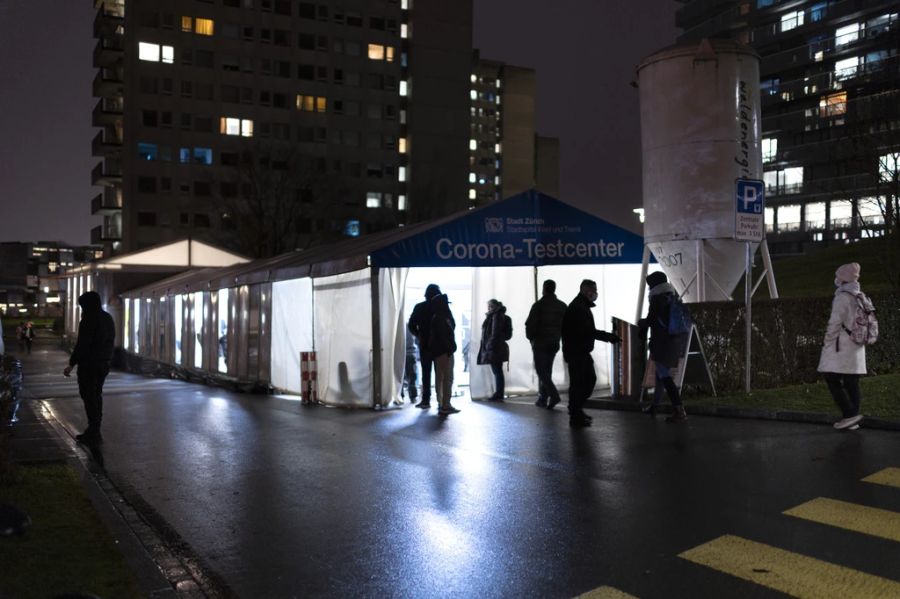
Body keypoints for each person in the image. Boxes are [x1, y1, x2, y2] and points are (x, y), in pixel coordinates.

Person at [561, 279, 621, 427]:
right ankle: (575, 413)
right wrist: (608, 337)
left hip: (578, 351)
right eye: (594, 290)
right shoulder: (579, 308)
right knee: (583, 382)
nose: (596, 294)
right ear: (586, 291)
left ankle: (576, 411)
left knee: (583, 382)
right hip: (577, 352)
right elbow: (587, 331)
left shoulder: (580, 306)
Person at [817, 262, 867, 431]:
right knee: (852, 381)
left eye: (838, 277)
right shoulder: (860, 295)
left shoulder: (842, 297)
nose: (836, 280)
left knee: (831, 377)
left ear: (842, 279)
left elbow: (835, 323)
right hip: (857, 345)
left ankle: (849, 414)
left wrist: (827, 341)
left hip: (841, 345)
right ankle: (852, 418)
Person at [63, 291, 115, 444]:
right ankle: (95, 429)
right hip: (103, 363)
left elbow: (83, 344)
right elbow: (110, 341)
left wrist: (71, 363)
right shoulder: (107, 318)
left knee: (88, 396)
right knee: (96, 395)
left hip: (89, 365)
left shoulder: (88, 319)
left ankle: (93, 430)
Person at [638, 271, 688, 422]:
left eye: (649, 285)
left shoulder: (657, 299)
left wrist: (642, 324)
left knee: (665, 377)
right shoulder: (672, 297)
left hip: (661, 343)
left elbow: (652, 319)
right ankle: (654, 407)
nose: (648, 288)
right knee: (661, 376)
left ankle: (679, 411)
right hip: (673, 341)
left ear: (654, 285)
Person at [525, 280, 567, 409]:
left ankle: (553, 395)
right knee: (547, 371)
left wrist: (531, 338)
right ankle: (543, 398)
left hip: (540, 342)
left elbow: (530, 324)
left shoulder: (539, 305)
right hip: (554, 342)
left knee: (541, 371)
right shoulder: (562, 306)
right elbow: (566, 325)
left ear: (544, 289)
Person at [407, 284, 449, 409]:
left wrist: (419, 335)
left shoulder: (419, 307)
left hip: (425, 344)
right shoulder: (442, 307)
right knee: (440, 374)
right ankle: (441, 401)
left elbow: (411, 325)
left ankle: (426, 400)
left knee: (426, 373)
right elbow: (450, 325)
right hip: (440, 345)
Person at [427, 293, 460, 416]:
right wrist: (450, 349)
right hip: (445, 352)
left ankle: (441, 402)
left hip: (440, 352)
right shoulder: (442, 317)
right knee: (447, 378)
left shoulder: (436, 317)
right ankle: (446, 404)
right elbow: (444, 336)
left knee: (440, 378)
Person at [477, 299, 513, 401]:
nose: (488, 308)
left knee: (497, 371)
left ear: (493, 306)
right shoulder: (497, 316)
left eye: (489, 306)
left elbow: (495, 333)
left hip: (494, 348)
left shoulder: (496, 316)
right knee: (497, 371)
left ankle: (498, 394)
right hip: (496, 347)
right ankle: (499, 393)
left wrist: (490, 346)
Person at [401, 329, 419, 404]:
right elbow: (418, 339)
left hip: (400, 354)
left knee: (399, 376)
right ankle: (413, 397)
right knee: (412, 377)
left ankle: (400, 396)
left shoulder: (397, 326)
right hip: (411, 353)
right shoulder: (410, 326)